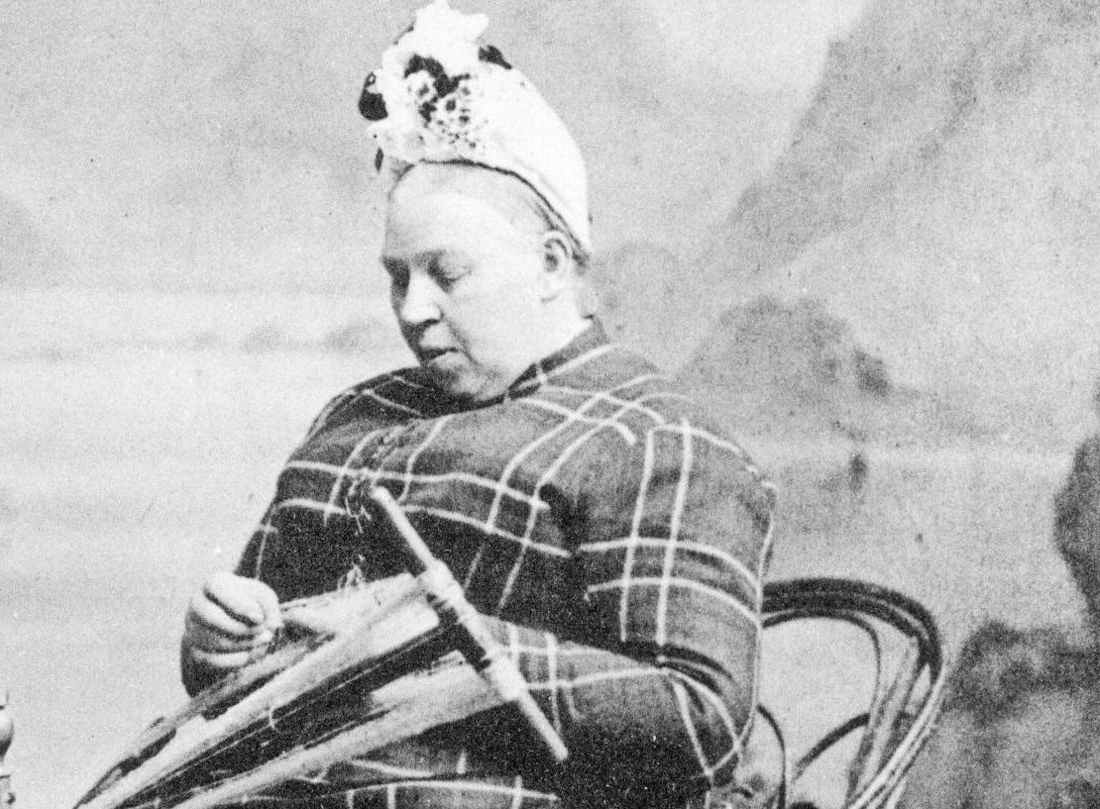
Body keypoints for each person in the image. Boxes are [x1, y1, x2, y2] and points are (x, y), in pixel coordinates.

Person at [180, 3, 776, 808]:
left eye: (446, 274)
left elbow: (700, 722)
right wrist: (217, 640)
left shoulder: (654, 440)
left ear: (552, 264)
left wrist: (439, 646)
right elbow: (241, 668)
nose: (412, 309)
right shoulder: (354, 415)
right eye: (398, 275)